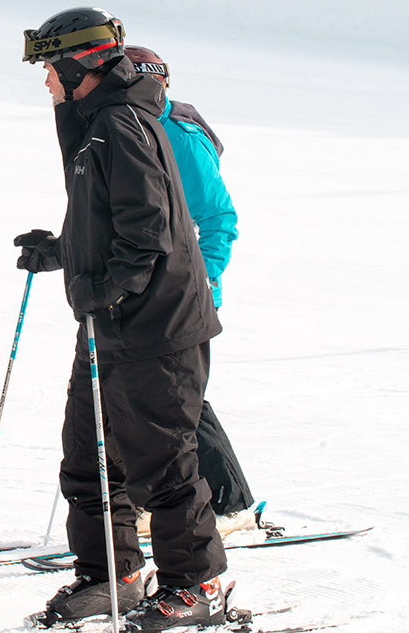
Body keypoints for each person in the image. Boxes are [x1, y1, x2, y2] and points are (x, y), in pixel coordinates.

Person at [16, 9, 227, 630]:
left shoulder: (123, 125)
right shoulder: (97, 127)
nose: (45, 82)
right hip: (113, 324)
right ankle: (113, 575)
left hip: (155, 326)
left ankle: (195, 587)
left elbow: (149, 231)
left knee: (163, 462)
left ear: (80, 65)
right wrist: (61, 252)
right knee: (87, 459)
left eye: (49, 69)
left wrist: (106, 290)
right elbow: (111, 224)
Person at [125, 45, 255, 534]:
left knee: (180, 401)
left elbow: (218, 218)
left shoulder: (177, 135)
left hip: (184, 295)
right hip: (147, 290)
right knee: (145, 399)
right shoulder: (136, 129)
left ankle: (229, 505)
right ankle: (152, 501)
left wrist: (204, 277)